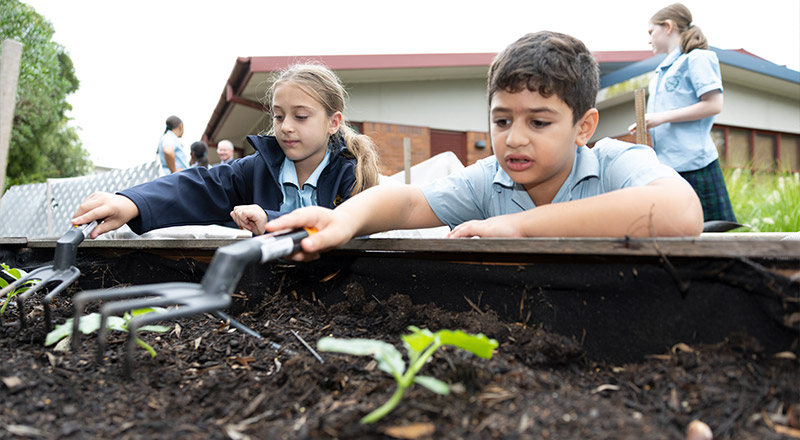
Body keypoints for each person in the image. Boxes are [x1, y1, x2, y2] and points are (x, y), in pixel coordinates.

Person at [266, 31, 704, 262]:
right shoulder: (489, 180)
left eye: (538, 121)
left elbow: (681, 213)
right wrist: (342, 219)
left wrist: (523, 227)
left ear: (583, 126)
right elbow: (406, 202)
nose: (514, 137)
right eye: (501, 120)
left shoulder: (613, 163)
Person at [72, 64, 381, 238]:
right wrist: (131, 202)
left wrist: (269, 219)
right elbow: (200, 185)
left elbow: (342, 228)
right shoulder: (257, 168)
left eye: (300, 116)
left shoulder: (352, 175)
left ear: (333, 122)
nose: (286, 126)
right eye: (277, 115)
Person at [628, 3, 736, 222]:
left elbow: (714, 104)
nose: (649, 39)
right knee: (678, 232)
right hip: (668, 166)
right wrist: (647, 123)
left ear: (668, 26)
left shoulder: (697, 58)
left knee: (714, 232)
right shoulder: (662, 71)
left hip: (695, 164)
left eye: (651, 32)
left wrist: (660, 117)